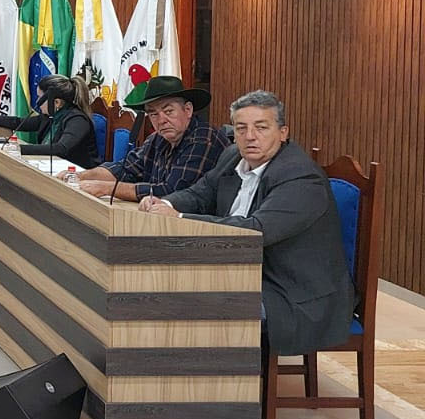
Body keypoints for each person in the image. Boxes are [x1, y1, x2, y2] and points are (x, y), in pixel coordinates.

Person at [138, 90, 355, 354]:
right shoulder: (233, 156)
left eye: (261, 127)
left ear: (283, 132)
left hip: (292, 293)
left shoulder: (300, 177)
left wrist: (179, 218)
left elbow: (255, 231)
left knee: (191, 303)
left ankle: (213, 376)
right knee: (157, 285)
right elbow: (200, 193)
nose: (250, 136)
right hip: (242, 272)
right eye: (241, 128)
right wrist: (165, 203)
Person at [67, 75, 231, 201]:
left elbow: (172, 192)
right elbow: (125, 169)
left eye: (168, 111)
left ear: (187, 110)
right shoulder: (158, 138)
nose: (161, 120)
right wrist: (80, 176)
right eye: (153, 114)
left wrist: (106, 188)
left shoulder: (203, 139)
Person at [0, 73, 101, 168]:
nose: (37, 102)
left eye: (40, 98)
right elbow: (17, 122)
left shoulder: (77, 120)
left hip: (80, 177)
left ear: (57, 103)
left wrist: (17, 149)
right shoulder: (49, 116)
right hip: (51, 168)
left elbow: (61, 149)